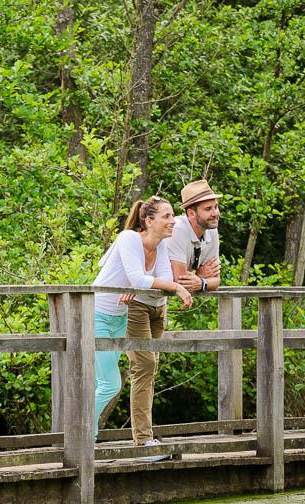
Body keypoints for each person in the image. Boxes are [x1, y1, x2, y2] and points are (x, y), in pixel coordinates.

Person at [91, 196, 192, 456]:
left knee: (105, 383)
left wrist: (146, 286)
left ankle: (85, 437)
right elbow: (139, 278)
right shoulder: (129, 238)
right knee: (110, 385)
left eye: (173, 216)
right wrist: (174, 287)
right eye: (167, 216)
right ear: (149, 221)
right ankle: (84, 439)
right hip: (97, 315)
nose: (173, 222)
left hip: (120, 317)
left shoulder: (160, 247)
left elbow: (160, 278)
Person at [167, 179, 222, 293]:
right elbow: (181, 281)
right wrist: (200, 276)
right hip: (136, 294)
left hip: (159, 299)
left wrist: (201, 282)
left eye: (215, 207)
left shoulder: (211, 229)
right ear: (191, 213)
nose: (215, 213)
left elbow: (216, 280)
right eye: (208, 209)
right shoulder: (177, 230)